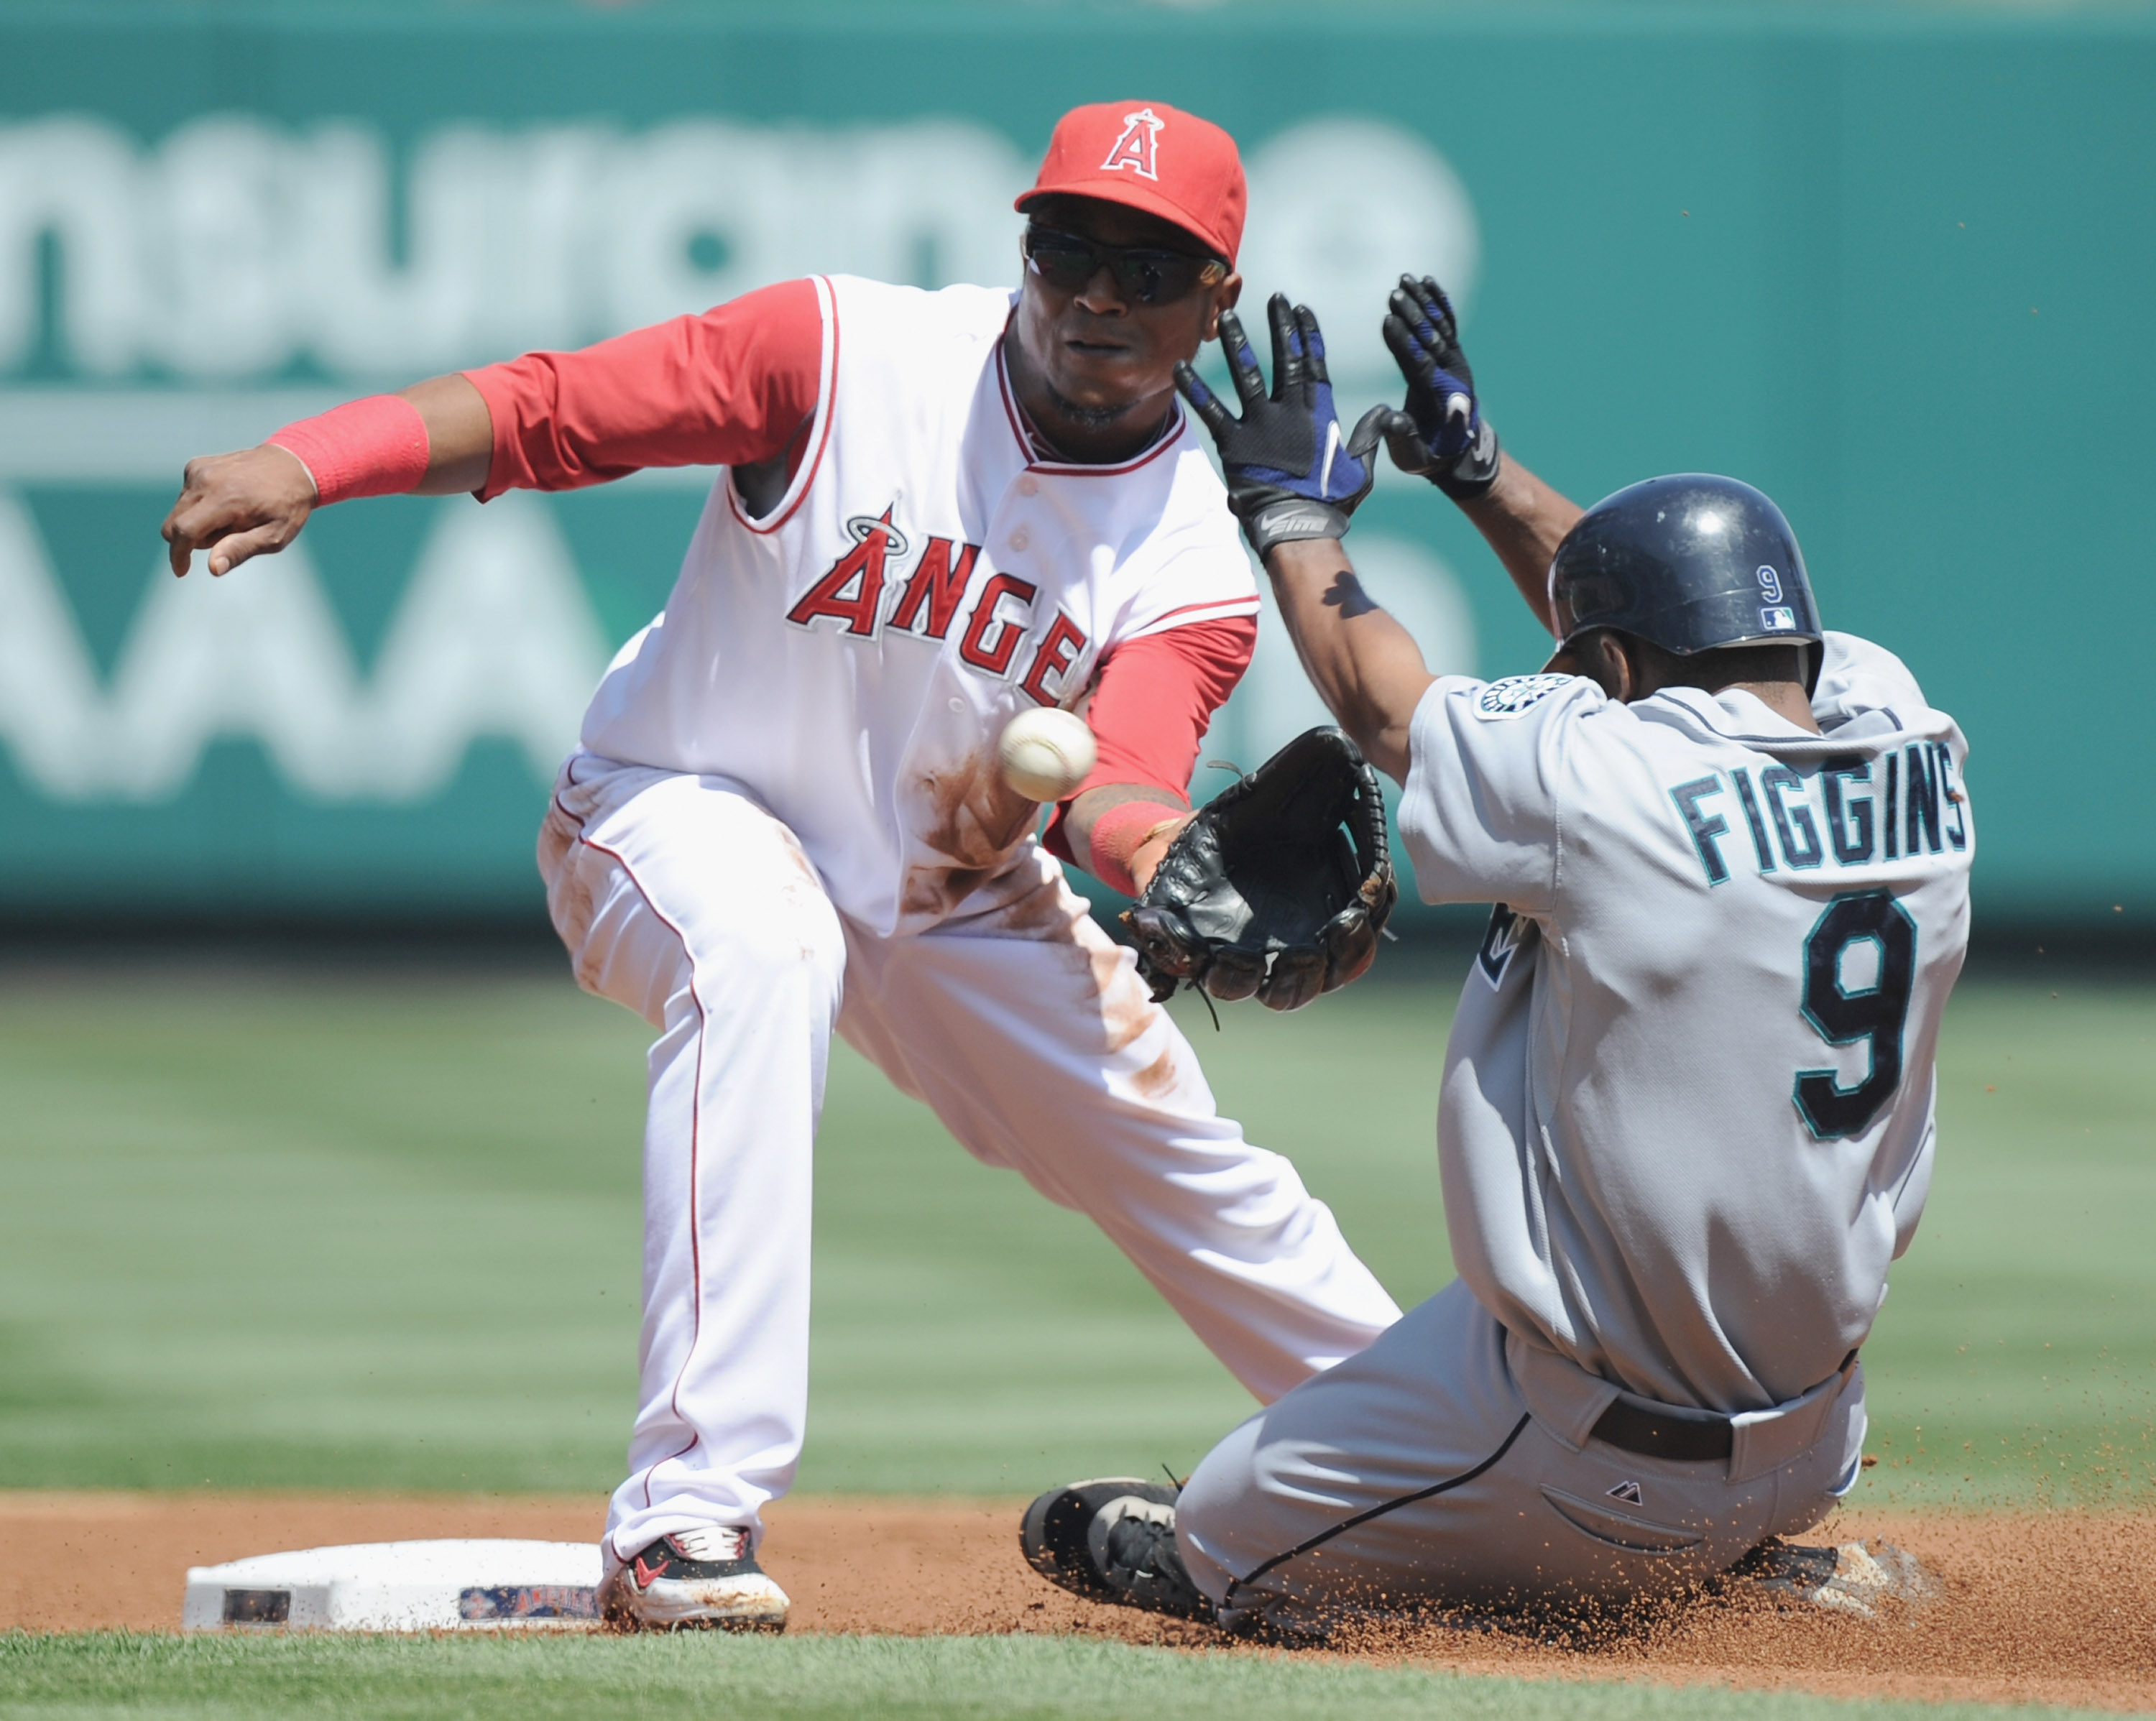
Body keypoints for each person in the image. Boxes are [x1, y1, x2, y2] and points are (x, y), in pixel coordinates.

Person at [157, 103, 1404, 1633]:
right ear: (1022, 249)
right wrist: (312, 457)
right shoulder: (840, 353)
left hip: (954, 888)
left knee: (1193, 1167)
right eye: (1067, 245)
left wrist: (1170, 861)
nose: (1094, 292)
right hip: (675, 801)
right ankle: (683, 1520)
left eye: (1147, 267)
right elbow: (562, 409)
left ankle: (1474, 1476)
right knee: (766, 946)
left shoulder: (1192, 558)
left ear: (1217, 299)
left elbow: (1127, 777)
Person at [1020, 282, 1973, 1634]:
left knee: (1222, 1537)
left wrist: (1294, 522)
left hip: (1591, 1446)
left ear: (1626, 667)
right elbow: (1661, 641)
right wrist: (1482, 478)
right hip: (1818, 1433)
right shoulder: (1908, 734)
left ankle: (1584, 1586)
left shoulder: (1611, 795)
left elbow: (1376, 699)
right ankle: (1759, 1551)